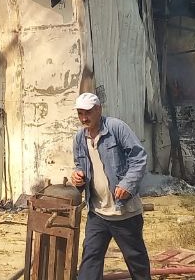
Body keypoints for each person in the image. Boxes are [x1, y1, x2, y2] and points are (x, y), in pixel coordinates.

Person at [69, 92, 151, 280]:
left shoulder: (116, 128)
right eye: (80, 113)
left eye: (87, 113)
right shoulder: (79, 138)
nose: (84, 118)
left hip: (124, 213)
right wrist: (78, 178)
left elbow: (139, 158)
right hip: (97, 212)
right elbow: (80, 166)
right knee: (90, 260)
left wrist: (127, 184)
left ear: (98, 110)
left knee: (136, 261)